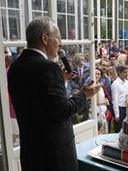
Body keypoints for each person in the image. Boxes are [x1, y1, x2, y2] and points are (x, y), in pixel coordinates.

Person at [7, 17, 102, 171]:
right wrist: (84, 94)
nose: (61, 43)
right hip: (54, 157)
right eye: (58, 38)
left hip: (31, 153)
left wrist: (60, 79)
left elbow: (36, 98)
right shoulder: (49, 68)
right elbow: (61, 111)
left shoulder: (15, 67)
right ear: (45, 39)